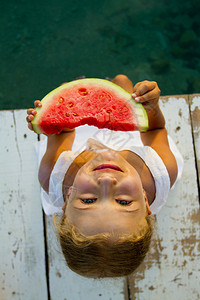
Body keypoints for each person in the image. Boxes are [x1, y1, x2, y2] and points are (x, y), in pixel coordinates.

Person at [26, 75, 183, 278]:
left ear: (68, 197)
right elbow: (156, 130)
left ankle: (87, 84)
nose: (107, 181)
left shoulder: (54, 174)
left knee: (67, 86)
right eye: (124, 202)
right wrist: (151, 109)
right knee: (123, 82)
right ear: (145, 200)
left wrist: (52, 120)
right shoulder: (159, 171)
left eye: (89, 200)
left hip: (82, 145)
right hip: (131, 138)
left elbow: (63, 133)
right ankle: (109, 85)